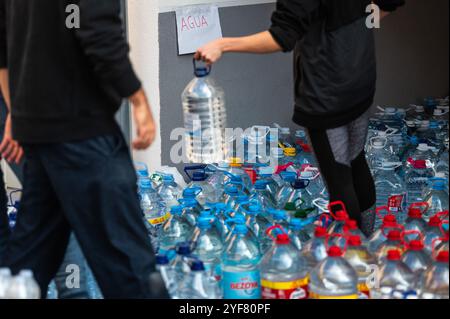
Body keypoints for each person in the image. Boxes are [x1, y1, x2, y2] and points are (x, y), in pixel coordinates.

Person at [0, 0, 168, 298]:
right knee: (130, 266)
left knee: (26, 267)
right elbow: (97, 30)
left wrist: (20, 109)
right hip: (80, 130)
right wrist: (138, 99)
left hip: (41, 127)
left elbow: (5, 43)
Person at [195, 0, 405, 236]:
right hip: (360, 78)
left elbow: (281, 37)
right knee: (356, 162)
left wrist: (223, 44)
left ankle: (354, 258)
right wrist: (354, 33)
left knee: (340, 181)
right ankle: (367, 244)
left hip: (326, 94)